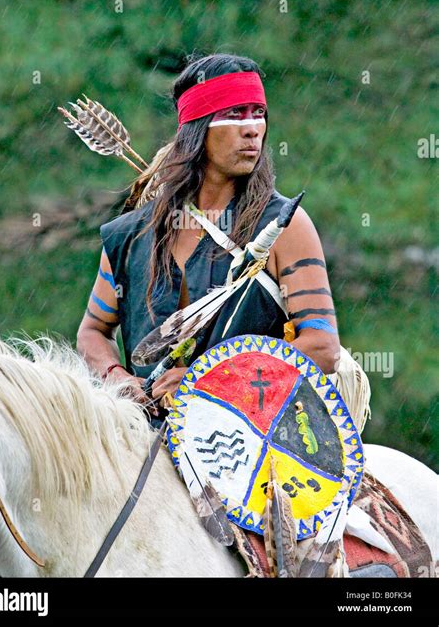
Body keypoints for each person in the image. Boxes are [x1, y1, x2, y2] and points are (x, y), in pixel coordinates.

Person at [76, 53, 365, 426]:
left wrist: (210, 383)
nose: (252, 129)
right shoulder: (131, 235)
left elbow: (322, 347)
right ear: (197, 129)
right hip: (141, 433)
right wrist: (118, 378)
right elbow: (93, 331)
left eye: (258, 113)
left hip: (252, 436)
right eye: (235, 114)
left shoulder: (284, 226)